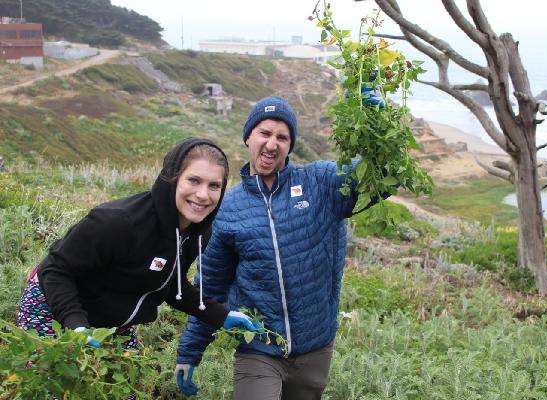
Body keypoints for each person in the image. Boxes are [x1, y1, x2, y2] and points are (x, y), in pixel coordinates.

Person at [175, 96, 385, 399]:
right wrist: (190, 352)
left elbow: (375, 178)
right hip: (258, 346)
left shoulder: (321, 181)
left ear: (290, 145)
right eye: (264, 133)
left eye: (282, 137)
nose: (272, 144)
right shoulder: (227, 207)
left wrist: (374, 124)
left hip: (315, 348)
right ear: (248, 136)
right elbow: (211, 286)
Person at [16, 138, 258, 351]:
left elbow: (170, 284)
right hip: (54, 307)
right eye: (194, 180)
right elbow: (57, 270)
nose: (203, 195)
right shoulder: (119, 222)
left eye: (214, 185)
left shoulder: (197, 234)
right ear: (172, 178)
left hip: (112, 325)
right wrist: (76, 325)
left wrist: (221, 315)